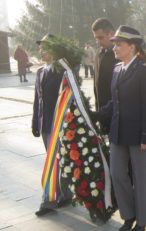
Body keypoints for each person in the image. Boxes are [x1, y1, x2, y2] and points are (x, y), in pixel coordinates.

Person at [96, 25, 146, 231]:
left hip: (138, 134)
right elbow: (114, 102)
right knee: (117, 174)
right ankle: (129, 215)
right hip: (118, 132)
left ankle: (142, 220)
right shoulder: (117, 69)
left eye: (119, 44)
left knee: (141, 179)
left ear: (132, 47)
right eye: (114, 44)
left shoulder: (144, 70)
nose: (114, 48)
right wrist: (94, 114)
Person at [32, 34, 71, 216]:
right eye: (40, 48)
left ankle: (48, 200)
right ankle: (66, 193)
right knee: (57, 160)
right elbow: (37, 100)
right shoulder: (41, 72)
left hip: (58, 125)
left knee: (53, 162)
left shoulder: (61, 71)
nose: (41, 51)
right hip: (45, 124)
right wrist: (35, 122)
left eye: (45, 48)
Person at [91, 18, 119, 134]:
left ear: (111, 34)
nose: (98, 41)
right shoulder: (99, 53)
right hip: (101, 111)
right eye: (96, 38)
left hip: (116, 113)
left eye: (100, 37)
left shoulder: (119, 55)